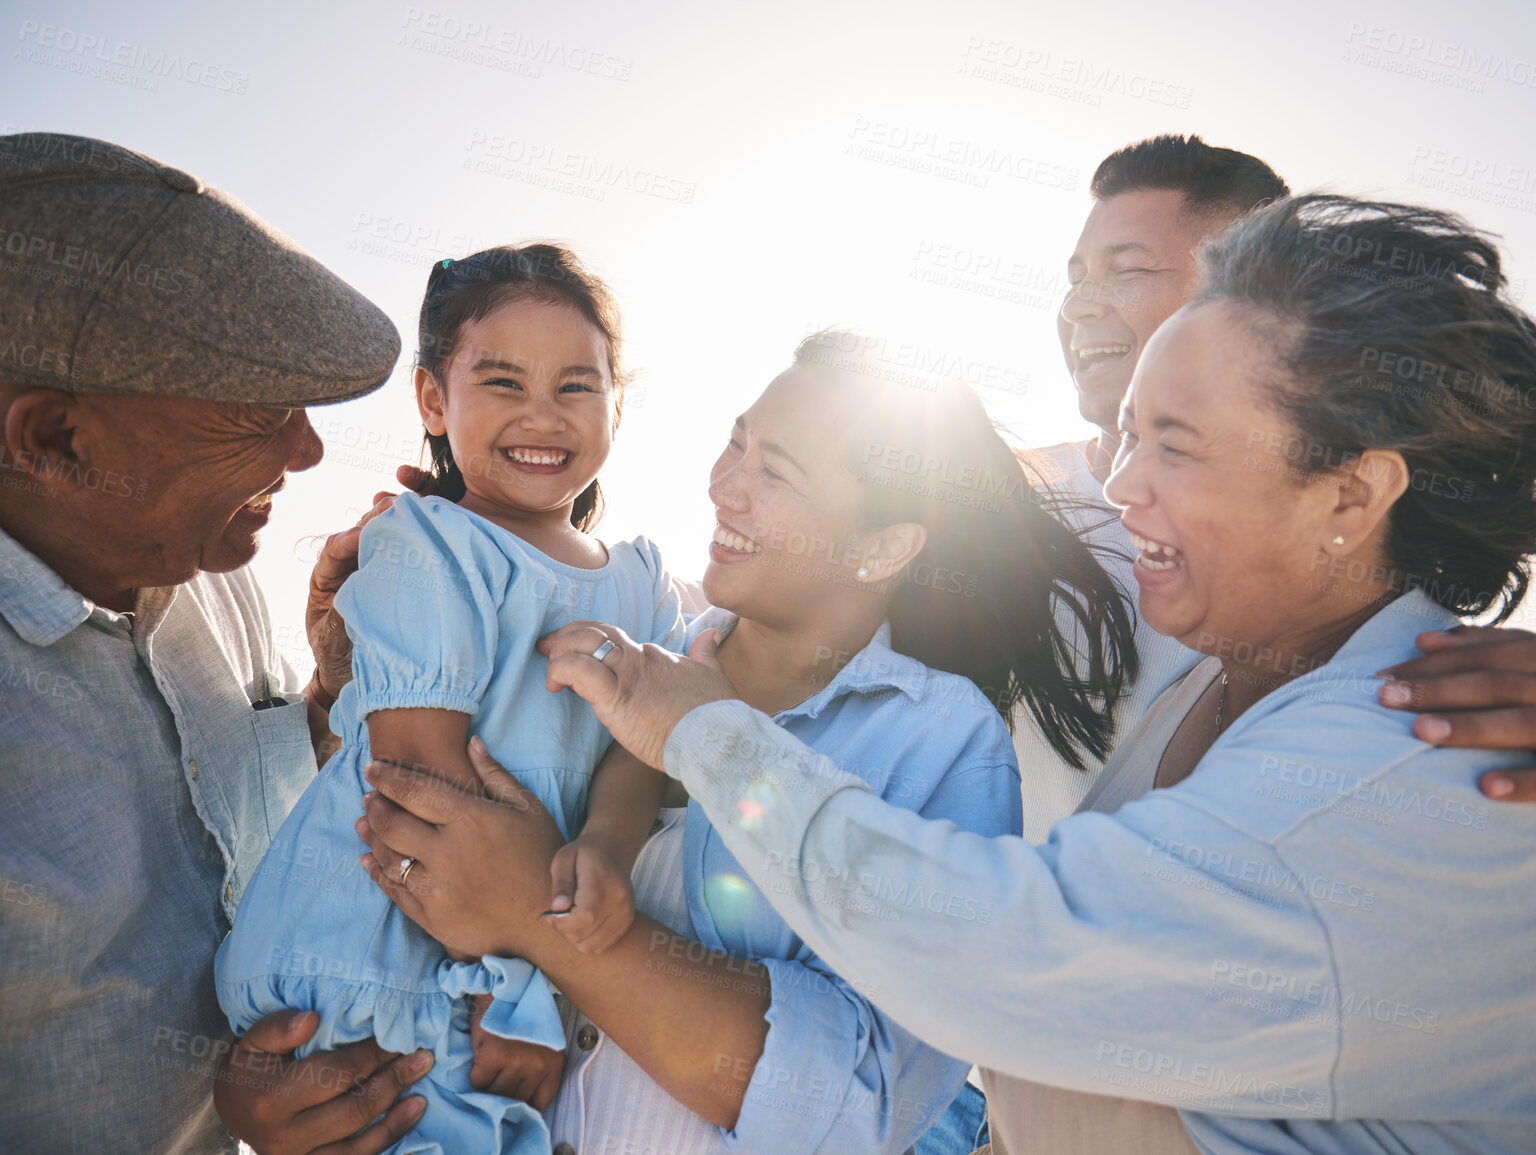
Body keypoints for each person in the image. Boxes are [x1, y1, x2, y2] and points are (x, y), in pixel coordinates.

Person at [459, 195, 1536, 1153]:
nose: (1119, 484)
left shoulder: (1404, 764)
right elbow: (781, 585)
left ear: (1354, 495)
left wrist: (707, 741)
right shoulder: (1214, 671)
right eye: (1127, 432)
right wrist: (471, 554)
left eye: (1177, 445)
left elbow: (1003, 955)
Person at [341, 332, 1139, 1153]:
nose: (724, 486)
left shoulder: (940, 740)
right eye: (735, 443)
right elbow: (407, 865)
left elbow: (859, 1103)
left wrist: (543, 929)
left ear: (882, 547)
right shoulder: (619, 655)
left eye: (775, 472)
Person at [1020, 135, 1536, 842]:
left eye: (1126, 269)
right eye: (1073, 278)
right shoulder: (992, 507)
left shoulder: (1358, 593)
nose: (1078, 307)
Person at [0, 133, 432, 1154]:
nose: (307, 448)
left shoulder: (208, 574)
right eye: (252, 411)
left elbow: (250, 843)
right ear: (55, 441)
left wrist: (329, 701)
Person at [215, 244, 683, 1152]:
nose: (541, 416)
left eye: (577, 386)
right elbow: (419, 783)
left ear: (618, 403)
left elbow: (638, 755)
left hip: (523, 949)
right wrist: (528, 978)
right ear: (435, 399)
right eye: (502, 382)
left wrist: (602, 860)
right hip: (390, 957)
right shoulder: (429, 546)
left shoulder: (645, 583)